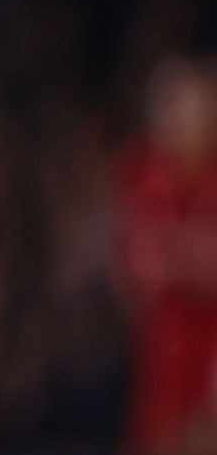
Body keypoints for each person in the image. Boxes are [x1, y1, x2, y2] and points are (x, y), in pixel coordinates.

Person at [118, 57, 217, 455]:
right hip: (164, 356)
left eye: (192, 107)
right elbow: (136, 272)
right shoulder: (143, 173)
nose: (178, 120)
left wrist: (178, 258)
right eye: (169, 107)